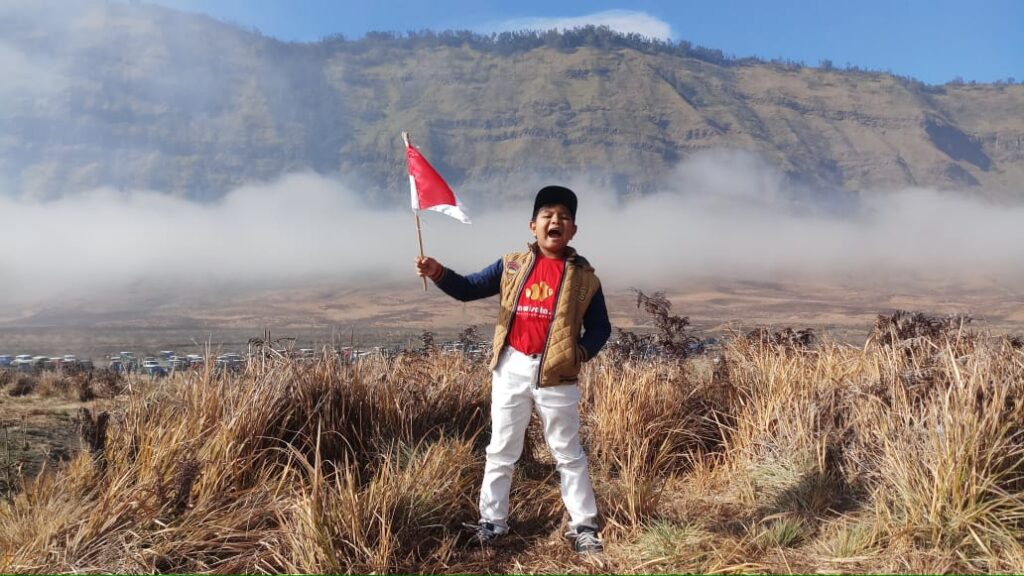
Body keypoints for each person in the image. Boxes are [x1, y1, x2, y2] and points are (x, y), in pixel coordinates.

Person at [415, 185, 612, 554]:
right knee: (502, 449)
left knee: (567, 453)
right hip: (511, 368)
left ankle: (584, 527)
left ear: (573, 231)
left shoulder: (587, 279)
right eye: (547, 215)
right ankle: (492, 523)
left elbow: (601, 327)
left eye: (564, 217)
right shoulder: (511, 265)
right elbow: (468, 288)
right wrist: (438, 271)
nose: (555, 221)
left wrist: (579, 353)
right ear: (533, 225)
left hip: (557, 376)